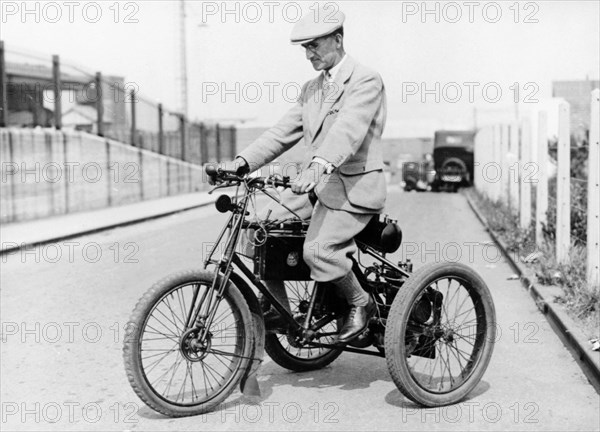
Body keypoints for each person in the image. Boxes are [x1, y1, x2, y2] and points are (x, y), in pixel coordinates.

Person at [216, 6, 387, 344]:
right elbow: (282, 132)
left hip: (354, 187)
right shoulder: (312, 89)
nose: (309, 54)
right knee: (257, 229)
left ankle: (360, 302)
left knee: (319, 250)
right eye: (305, 48)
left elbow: (349, 130)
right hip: (319, 186)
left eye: (315, 45)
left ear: (337, 40)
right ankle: (278, 311)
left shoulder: (365, 80)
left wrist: (319, 165)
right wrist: (242, 162)